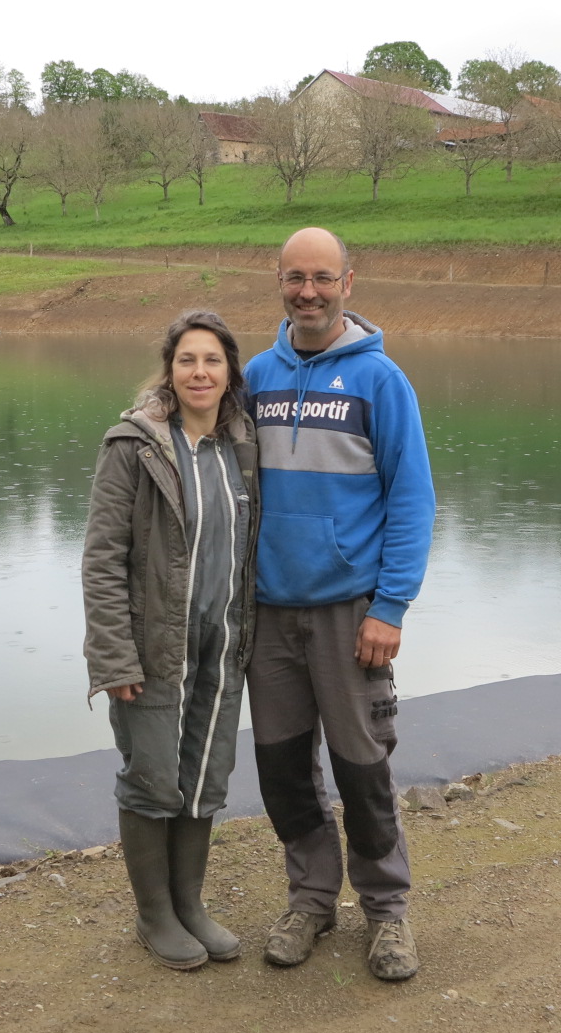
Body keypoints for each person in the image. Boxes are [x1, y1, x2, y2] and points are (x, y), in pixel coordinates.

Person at [243, 227, 436, 982]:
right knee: (283, 769)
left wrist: (390, 607)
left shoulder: (380, 380)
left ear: (348, 284)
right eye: (296, 277)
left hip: (350, 614)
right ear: (279, 281)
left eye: (323, 277)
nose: (309, 292)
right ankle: (312, 899)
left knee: (362, 769)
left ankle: (387, 912)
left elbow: (412, 500)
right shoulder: (256, 376)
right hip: (268, 613)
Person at [81, 309, 259, 970]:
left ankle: (190, 905)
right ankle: (153, 914)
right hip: (152, 649)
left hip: (221, 646)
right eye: (188, 360)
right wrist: (112, 657)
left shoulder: (243, 446)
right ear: (170, 369)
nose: (200, 372)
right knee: (152, 777)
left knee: (204, 774)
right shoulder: (133, 446)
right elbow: (102, 560)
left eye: (213, 360)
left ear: (229, 372)